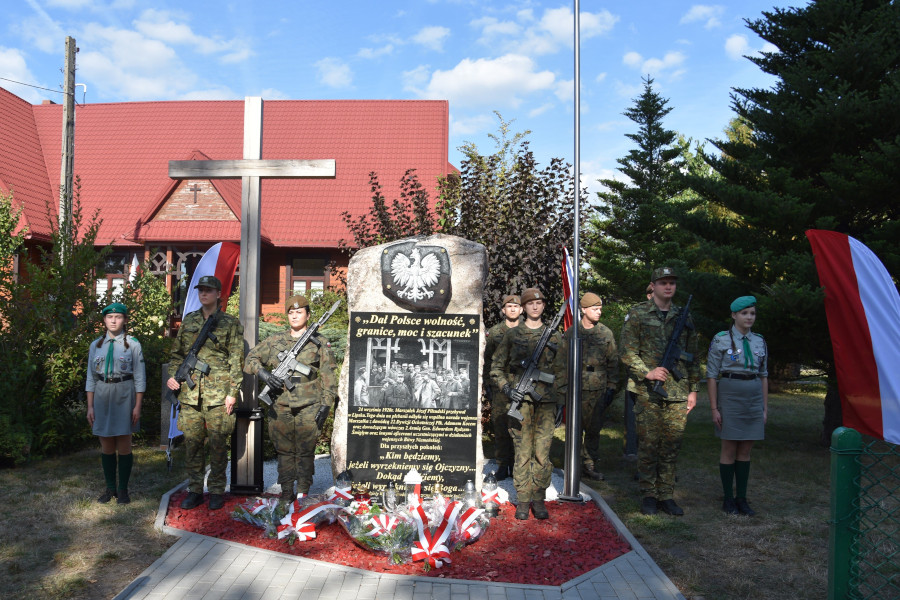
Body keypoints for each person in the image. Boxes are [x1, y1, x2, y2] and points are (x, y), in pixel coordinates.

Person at [620, 267, 699, 516]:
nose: (668, 287)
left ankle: (666, 494)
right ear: (652, 286)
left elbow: (693, 356)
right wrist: (647, 372)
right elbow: (627, 351)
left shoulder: (683, 315)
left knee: (671, 445)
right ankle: (649, 495)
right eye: (663, 283)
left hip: (677, 390)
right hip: (648, 391)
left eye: (672, 283)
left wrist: (693, 390)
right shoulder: (638, 313)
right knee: (649, 445)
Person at [245, 295, 338, 503]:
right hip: (281, 404)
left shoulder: (320, 343)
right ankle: (286, 491)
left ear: (308, 314)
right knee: (285, 451)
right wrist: (264, 374)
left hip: (309, 405)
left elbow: (328, 375)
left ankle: (303, 491)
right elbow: (250, 359)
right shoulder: (275, 340)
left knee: (306, 451)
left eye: (299, 312)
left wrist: (326, 404)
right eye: (291, 312)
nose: (295, 316)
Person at [166, 275, 244, 511]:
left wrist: (232, 392)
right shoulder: (188, 321)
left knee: (219, 446)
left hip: (218, 396)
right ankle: (195, 490)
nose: (204, 294)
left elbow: (236, 359)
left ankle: (217, 490)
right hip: (190, 395)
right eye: (201, 290)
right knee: (193, 445)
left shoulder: (230, 323)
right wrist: (172, 376)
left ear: (219, 294)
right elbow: (177, 355)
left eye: (209, 290)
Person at [491, 287, 565, 520]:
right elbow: (496, 368)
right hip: (520, 402)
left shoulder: (555, 336)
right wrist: (507, 388)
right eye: (530, 304)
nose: (535, 306)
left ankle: (538, 498)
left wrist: (560, 401)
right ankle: (523, 500)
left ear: (543, 306)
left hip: (546, 403)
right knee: (522, 452)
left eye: (539, 303)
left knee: (542, 453)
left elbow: (563, 370)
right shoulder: (512, 335)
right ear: (523, 308)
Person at [707, 295, 768, 516]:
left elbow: (763, 375)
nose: (749, 317)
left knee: (746, 450)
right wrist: (715, 408)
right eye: (744, 313)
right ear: (734, 315)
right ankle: (728, 498)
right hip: (730, 395)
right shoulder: (721, 339)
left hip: (753, 397)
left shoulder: (760, 341)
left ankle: (742, 498)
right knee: (729, 448)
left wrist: (764, 408)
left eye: (752, 313)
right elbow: (712, 376)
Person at [86, 302, 146, 505]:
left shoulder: (133, 344)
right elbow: (91, 378)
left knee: (124, 443)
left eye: (118, 317)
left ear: (125, 320)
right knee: (106, 443)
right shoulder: (96, 345)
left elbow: (139, 377)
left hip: (124, 394)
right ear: (104, 320)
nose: (113, 320)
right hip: (102, 395)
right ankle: (110, 487)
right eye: (109, 317)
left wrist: (137, 406)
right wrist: (90, 406)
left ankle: (123, 490)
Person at [557, 292, 618, 481]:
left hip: (598, 388)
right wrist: (563, 388)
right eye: (594, 309)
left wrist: (612, 386)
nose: (598, 312)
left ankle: (590, 464)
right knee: (575, 428)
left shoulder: (605, 333)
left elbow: (613, 361)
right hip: (577, 387)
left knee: (594, 429)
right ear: (583, 310)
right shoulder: (572, 333)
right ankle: (574, 464)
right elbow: (561, 362)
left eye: (600, 309)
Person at [483, 294, 523, 480]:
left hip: (522, 386)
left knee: (519, 426)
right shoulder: (496, 332)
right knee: (500, 426)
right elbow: (487, 359)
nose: (513, 309)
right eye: (509, 306)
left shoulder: (527, 330)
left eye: (516, 306)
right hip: (500, 387)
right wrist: (489, 384)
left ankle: (517, 465)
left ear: (521, 310)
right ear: (503, 310)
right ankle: (502, 465)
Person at [623, 284, 654, 462]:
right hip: (639, 376)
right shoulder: (636, 313)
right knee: (635, 417)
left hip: (663, 375)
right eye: (650, 294)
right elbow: (627, 347)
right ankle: (633, 451)